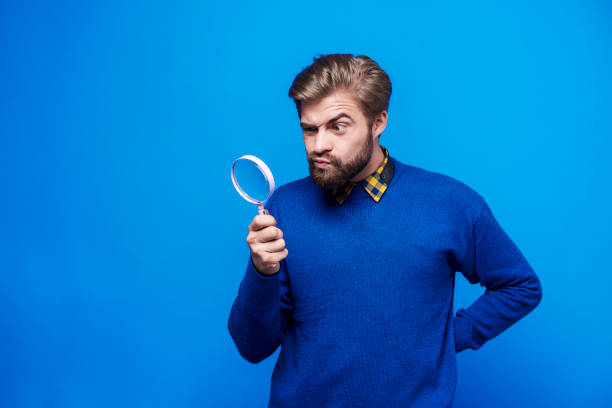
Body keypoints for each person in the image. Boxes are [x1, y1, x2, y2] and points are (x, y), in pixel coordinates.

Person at [227, 53, 542, 408]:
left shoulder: (450, 203)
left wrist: (445, 339)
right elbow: (251, 347)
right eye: (309, 128)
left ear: (379, 122)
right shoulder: (284, 207)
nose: (318, 145)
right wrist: (261, 272)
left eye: (338, 126)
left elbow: (521, 286)